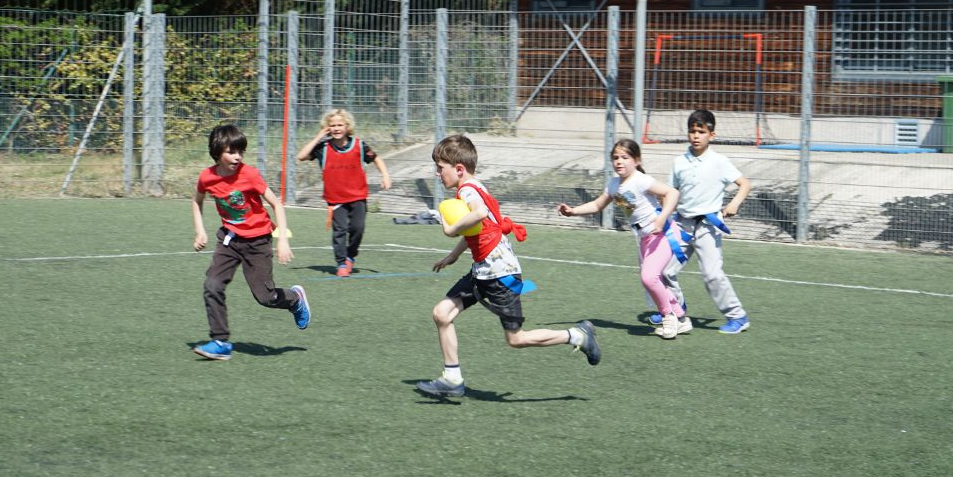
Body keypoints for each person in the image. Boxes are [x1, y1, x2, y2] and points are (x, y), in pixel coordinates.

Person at [416, 134, 600, 397]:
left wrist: (449, 230)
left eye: (440, 168)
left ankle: (578, 335)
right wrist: (454, 255)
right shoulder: (474, 187)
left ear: (458, 169)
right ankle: (452, 378)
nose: (437, 174)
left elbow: (478, 215)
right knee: (441, 314)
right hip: (484, 270)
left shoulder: (467, 191)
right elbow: (482, 229)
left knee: (516, 339)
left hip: (499, 274)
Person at [191, 124, 310, 360]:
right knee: (212, 285)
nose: (237, 157)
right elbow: (197, 201)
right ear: (217, 152)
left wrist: (283, 240)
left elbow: (276, 204)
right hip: (229, 240)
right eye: (231, 151)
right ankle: (220, 342)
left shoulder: (250, 174)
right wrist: (200, 231)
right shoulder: (207, 177)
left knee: (265, 297)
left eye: (240, 151)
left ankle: (295, 299)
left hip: (258, 242)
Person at [557, 138, 690, 338]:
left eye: (625, 157)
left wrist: (662, 218)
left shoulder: (640, 180)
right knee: (652, 278)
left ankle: (668, 316)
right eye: (616, 157)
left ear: (636, 160)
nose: (619, 161)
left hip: (663, 235)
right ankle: (681, 318)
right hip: (645, 238)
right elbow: (597, 205)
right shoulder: (613, 184)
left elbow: (672, 193)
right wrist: (572, 211)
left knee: (649, 277)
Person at [669, 109, 752, 334]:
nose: (696, 136)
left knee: (712, 274)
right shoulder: (679, 162)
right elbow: (672, 192)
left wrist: (733, 204)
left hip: (707, 227)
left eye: (701, 131)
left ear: (711, 135)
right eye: (692, 131)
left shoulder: (720, 162)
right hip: (681, 226)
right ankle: (674, 310)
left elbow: (744, 184)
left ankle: (737, 316)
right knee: (664, 271)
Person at [296, 108, 391, 277]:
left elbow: (376, 158)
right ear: (327, 128)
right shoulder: (323, 148)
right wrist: (319, 135)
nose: (336, 128)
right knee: (339, 231)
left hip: (358, 196)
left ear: (348, 126)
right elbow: (301, 156)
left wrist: (385, 175)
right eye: (332, 125)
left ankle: (350, 256)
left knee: (357, 228)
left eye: (340, 124)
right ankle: (341, 263)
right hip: (336, 199)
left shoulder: (359, 145)